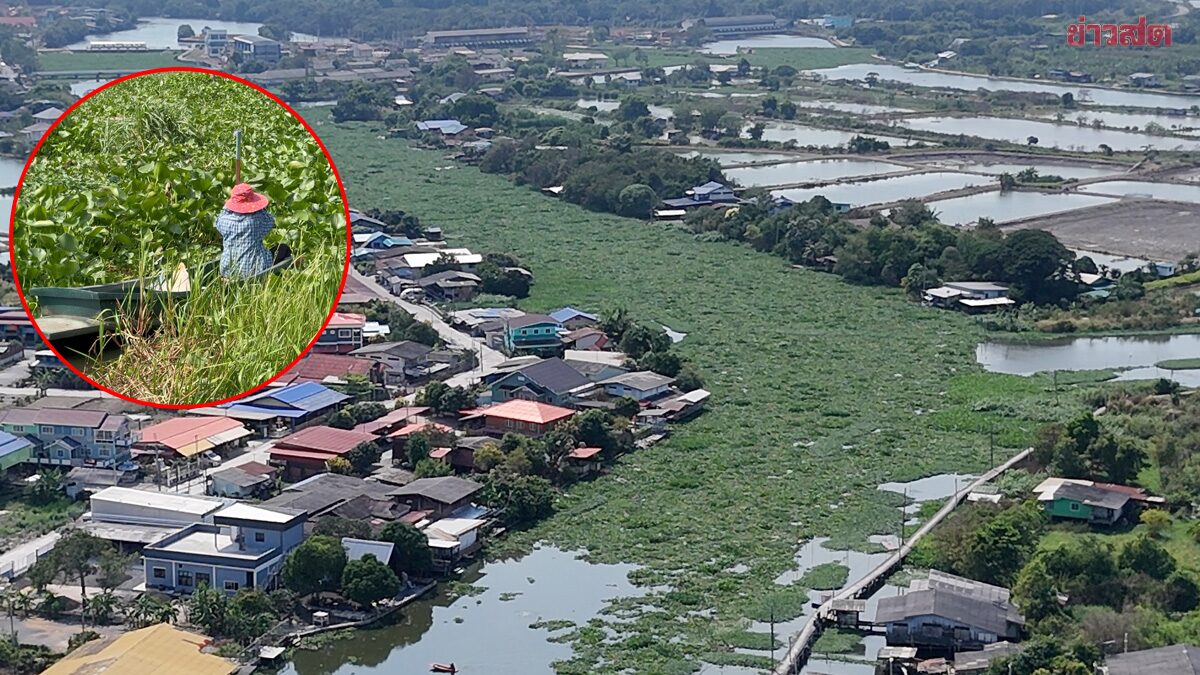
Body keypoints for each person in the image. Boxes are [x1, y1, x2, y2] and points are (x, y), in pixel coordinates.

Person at [215, 183, 275, 278]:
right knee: (283, 248)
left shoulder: (223, 220)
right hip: (254, 270)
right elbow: (270, 221)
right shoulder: (257, 220)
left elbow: (218, 220)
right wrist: (259, 209)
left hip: (227, 271)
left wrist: (228, 206)